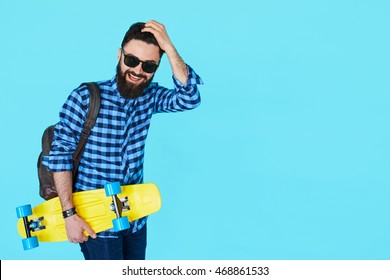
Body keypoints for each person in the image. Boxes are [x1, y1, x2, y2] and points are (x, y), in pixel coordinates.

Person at [42, 20, 203, 260]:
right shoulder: (86, 97)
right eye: (131, 60)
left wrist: (169, 48)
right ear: (119, 55)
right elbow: (60, 156)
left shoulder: (151, 96)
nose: (138, 70)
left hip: (136, 217)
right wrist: (69, 215)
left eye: (149, 65)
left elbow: (189, 98)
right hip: (96, 219)